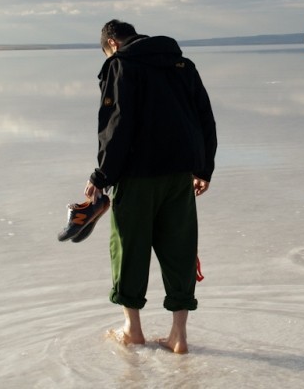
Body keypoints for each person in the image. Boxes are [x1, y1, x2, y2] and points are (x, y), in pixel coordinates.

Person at [83, 19, 217, 354]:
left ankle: (133, 331)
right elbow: (205, 116)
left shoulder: (121, 65)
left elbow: (116, 125)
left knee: (129, 249)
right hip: (180, 178)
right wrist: (204, 168)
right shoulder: (182, 64)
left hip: (137, 177)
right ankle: (178, 336)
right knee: (180, 251)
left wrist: (102, 176)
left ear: (112, 43)